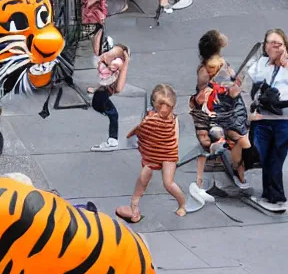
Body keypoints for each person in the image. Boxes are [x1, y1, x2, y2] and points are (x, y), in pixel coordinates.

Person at [117, 83, 186, 222]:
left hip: (168, 154)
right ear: (154, 103)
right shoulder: (149, 118)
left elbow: (175, 138)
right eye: (161, 105)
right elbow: (142, 132)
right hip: (152, 153)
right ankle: (134, 204)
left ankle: (182, 204)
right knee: (143, 177)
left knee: (168, 183)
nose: (164, 109)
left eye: (168, 106)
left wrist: (170, 151)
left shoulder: (173, 119)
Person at [193, 29, 250, 191]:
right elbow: (204, 94)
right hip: (220, 113)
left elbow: (231, 80)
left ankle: (235, 165)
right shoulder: (206, 70)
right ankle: (237, 170)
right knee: (238, 139)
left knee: (239, 139)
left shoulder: (217, 64)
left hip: (230, 109)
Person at [248, 28, 288, 211]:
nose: (275, 47)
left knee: (276, 158)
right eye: (271, 43)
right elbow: (254, 76)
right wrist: (271, 63)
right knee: (263, 156)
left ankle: (276, 197)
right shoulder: (261, 64)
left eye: (278, 44)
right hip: (262, 118)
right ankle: (270, 194)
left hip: (283, 120)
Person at [90, 44, 130, 151]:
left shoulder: (110, 62)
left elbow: (118, 87)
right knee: (113, 114)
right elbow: (118, 88)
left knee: (113, 114)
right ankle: (113, 140)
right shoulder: (107, 60)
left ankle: (113, 140)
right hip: (103, 92)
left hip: (104, 91)